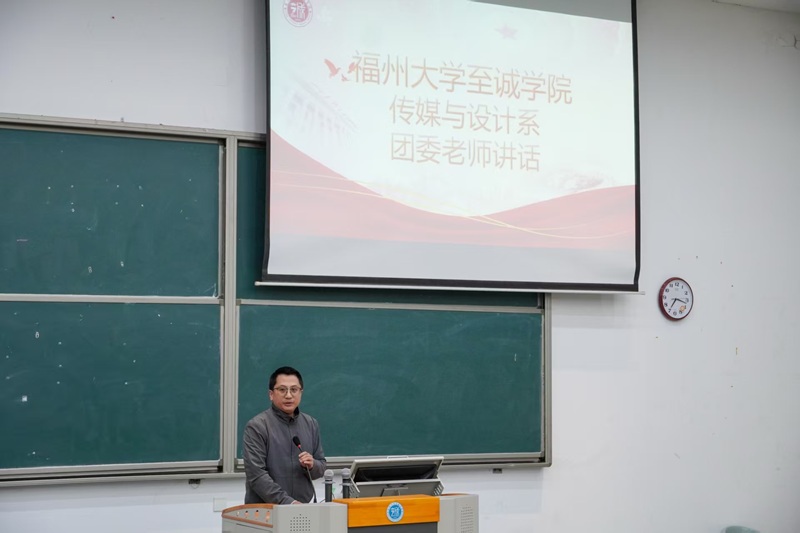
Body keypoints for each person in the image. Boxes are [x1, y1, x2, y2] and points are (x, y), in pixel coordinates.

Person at [243, 366, 327, 504]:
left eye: (294, 390)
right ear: (271, 394)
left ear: (300, 393)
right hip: (266, 510)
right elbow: (257, 475)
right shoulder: (257, 426)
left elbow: (321, 467)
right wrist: (288, 502)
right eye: (282, 390)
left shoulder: (311, 424)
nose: (288, 395)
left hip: (303, 508)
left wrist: (312, 465)